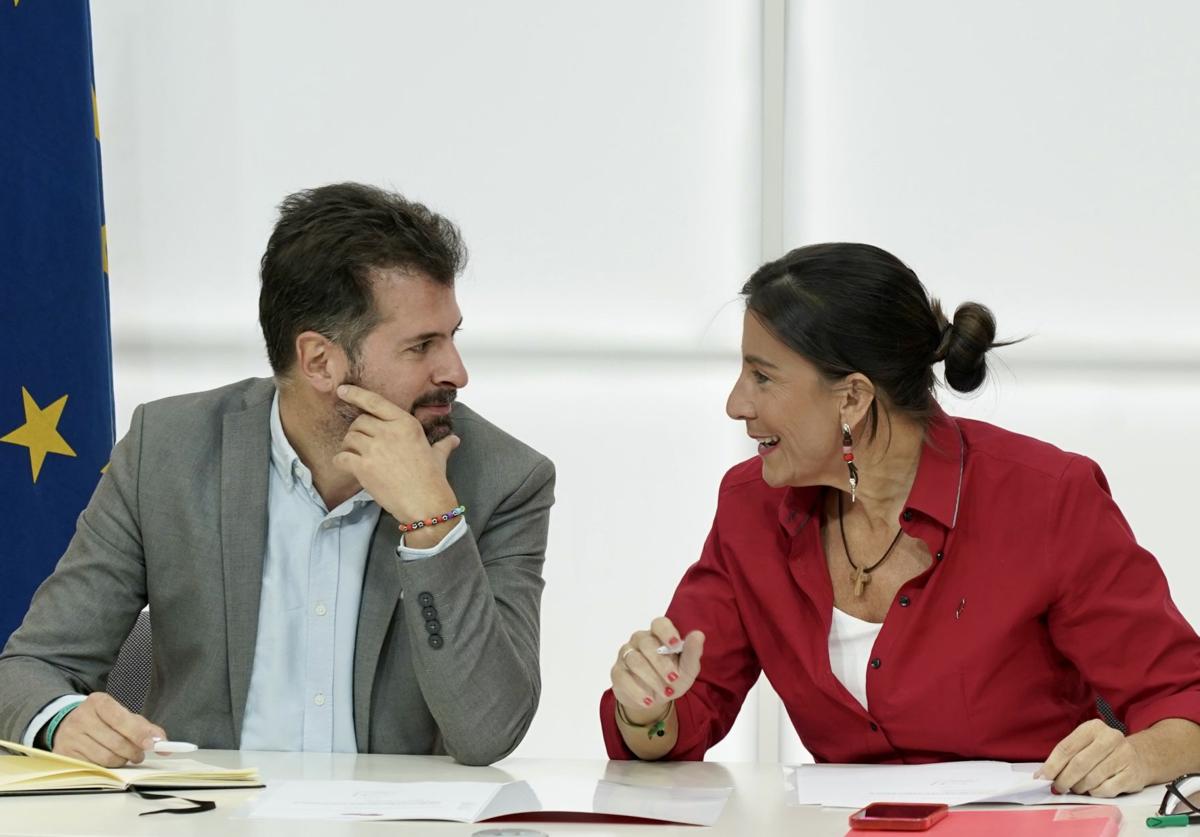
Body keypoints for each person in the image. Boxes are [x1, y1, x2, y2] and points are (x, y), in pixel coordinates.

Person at [601, 243, 1200, 796]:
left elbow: (1183, 696)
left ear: (853, 398)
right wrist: (647, 710)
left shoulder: (1047, 497)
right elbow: (685, 715)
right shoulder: (749, 507)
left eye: (762, 376)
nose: (736, 404)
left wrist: (1139, 756)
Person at [0, 183, 555, 767]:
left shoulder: (504, 479)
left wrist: (432, 523)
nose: (457, 372)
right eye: (422, 346)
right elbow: (33, 668)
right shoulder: (166, 452)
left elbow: (489, 732)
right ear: (319, 361)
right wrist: (62, 721)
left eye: (452, 336)